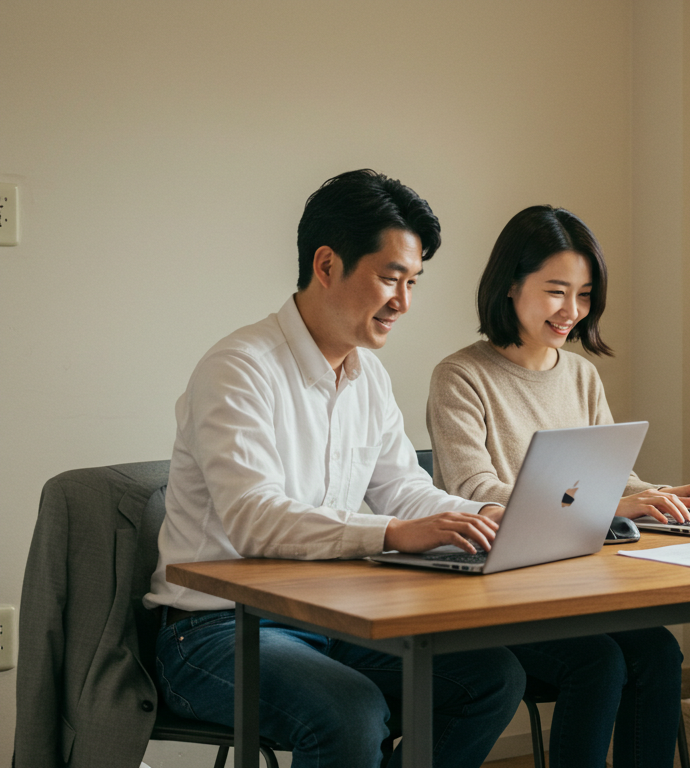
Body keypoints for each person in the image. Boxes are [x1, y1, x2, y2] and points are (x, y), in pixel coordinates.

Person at [144, 169, 526, 768]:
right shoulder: (238, 368)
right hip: (217, 632)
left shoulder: (367, 375)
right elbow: (253, 520)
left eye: (413, 282)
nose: (403, 303)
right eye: (390, 278)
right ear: (327, 265)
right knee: (349, 710)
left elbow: (402, 489)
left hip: (331, 615)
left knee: (491, 676)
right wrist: (393, 533)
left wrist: (489, 516)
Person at [425, 205, 690, 768]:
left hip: (573, 587)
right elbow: (476, 490)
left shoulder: (581, 374)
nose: (572, 311)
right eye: (556, 291)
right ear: (510, 286)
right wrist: (612, 501)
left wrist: (667, 494)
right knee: (599, 663)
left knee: (658, 650)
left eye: (584, 295)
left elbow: (615, 479)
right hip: (494, 593)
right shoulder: (460, 376)